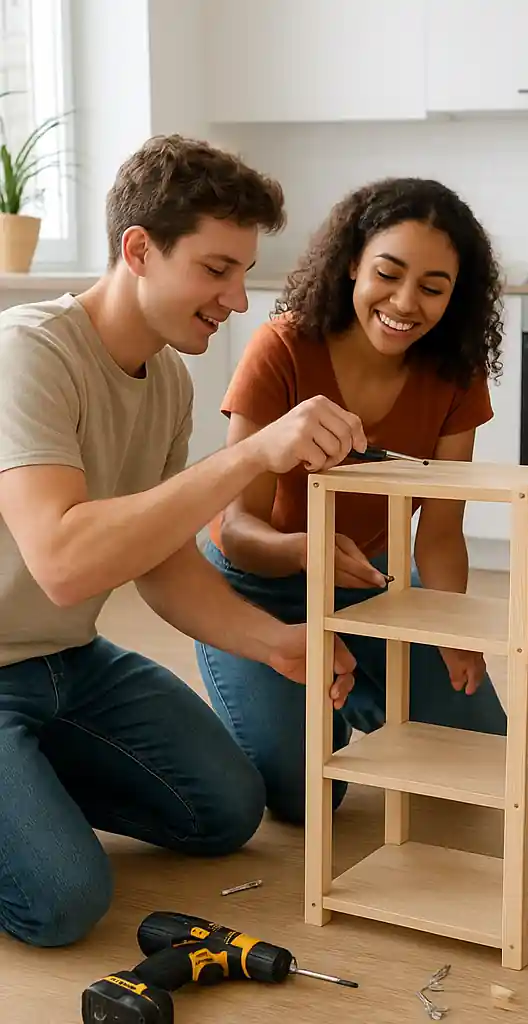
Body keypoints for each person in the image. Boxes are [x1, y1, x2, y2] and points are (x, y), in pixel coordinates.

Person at [0, 135, 364, 948]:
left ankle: (28, 787)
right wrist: (248, 456)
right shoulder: (29, 351)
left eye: (241, 272)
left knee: (225, 809)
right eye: (216, 269)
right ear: (139, 250)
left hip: (69, 663)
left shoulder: (165, 379)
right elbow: (62, 563)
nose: (238, 299)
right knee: (61, 903)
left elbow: (163, 566)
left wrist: (277, 642)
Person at [195, 177, 509, 825]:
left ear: (458, 296)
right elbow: (236, 525)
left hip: (367, 585)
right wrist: (305, 552)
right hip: (255, 591)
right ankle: (279, 699)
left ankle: (356, 691)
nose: (404, 303)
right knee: (310, 797)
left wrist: (448, 630)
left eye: (432, 288)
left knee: (478, 751)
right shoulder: (282, 346)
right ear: (350, 265)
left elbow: (441, 533)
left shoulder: (455, 372)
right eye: (387, 274)